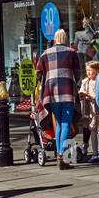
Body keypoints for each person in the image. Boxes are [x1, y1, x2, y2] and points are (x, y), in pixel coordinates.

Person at [36, 29, 81, 169]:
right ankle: (62, 154)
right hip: (67, 91)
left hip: (51, 93)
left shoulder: (45, 54)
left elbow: (38, 73)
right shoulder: (72, 52)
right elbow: (78, 73)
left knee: (60, 124)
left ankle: (60, 154)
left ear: (55, 39)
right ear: (65, 38)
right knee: (66, 122)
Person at [78, 60, 99, 161]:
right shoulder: (85, 81)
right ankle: (94, 153)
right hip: (90, 110)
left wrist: (91, 96)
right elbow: (81, 91)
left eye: (91, 70)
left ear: (97, 70)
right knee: (92, 131)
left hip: (98, 109)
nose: (88, 72)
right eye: (87, 70)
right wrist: (82, 94)